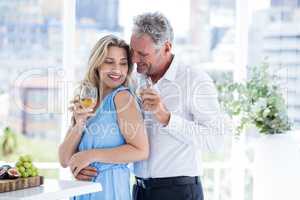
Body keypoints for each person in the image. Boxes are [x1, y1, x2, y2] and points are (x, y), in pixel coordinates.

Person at [77, 12, 230, 200]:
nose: (134, 59)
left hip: (178, 191)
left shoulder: (194, 81)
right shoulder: (133, 81)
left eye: (143, 54)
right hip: (139, 190)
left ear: (166, 47)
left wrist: (166, 117)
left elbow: (217, 140)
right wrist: (86, 163)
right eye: (133, 51)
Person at [58, 35, 149, 200]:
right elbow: (64, 159)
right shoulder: (87, 101)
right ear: (97, 64)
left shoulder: (122, 98)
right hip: (81, 191)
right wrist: (79, 123)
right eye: (109, 62)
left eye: (123, 63)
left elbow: (141, 150)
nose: (117, 70)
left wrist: (91, 155)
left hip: (110, 190)